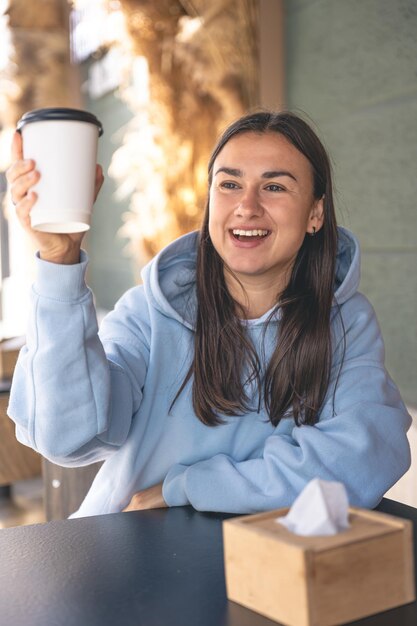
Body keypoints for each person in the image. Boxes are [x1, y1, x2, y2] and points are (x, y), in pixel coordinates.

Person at [7, 111, 411, 518]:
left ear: (315, 214)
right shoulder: (150, 311)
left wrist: (186, 486)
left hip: (267, 559)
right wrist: (60, 264)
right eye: (230, 184)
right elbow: (67, 438)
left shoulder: (344, 321)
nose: (246, 206)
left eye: (274, 186)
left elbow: (362, 459)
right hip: (130, 549)